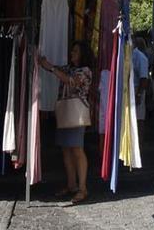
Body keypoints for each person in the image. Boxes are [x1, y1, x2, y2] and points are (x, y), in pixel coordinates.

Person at [37, 41, 94, 204]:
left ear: (82, 53)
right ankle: (72, 185)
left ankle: (83, 188)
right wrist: (45, 64)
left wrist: (52, 68)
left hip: (75, 113)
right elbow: (55, 69)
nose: (72, 53)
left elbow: (71, 81)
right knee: (66, 150)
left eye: (75, 51)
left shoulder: (85, 71)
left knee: (77, 150)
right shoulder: (71, 68)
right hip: (66, 113)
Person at [132, 36, 150, 148]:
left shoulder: (140, 57)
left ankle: (139, 144)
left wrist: (139, 94)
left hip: (137, 88)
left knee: (138, 118)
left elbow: (144, 78)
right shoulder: (129, 55)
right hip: (131, 89)